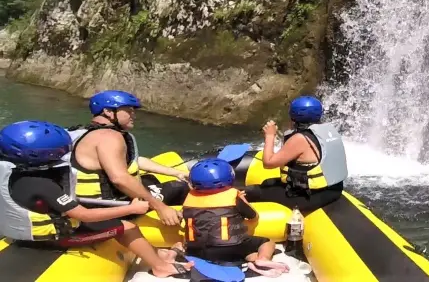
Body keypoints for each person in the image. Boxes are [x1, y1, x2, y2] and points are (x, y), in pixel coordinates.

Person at [0, 120, 192, 278]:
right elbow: (84, 215)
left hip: (21, 233)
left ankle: (156, 254)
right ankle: (161, 267)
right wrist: (131, 209)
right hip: (53, 239)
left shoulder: (14, 174)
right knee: (127, 227)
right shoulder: (42, 185)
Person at [68, 90, 189, 226]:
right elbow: (120, 179)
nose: (133, 116)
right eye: (128, 111)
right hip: (108, 207)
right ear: (108, 111)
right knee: (179, 188)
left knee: (150, 180)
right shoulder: (109, 137)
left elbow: (133, 161)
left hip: (81, 202)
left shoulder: (82, 132)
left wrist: (176, 172)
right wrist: (161, 208)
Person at [178, 158, 288, 278]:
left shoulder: (188, 199)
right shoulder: (233, 195)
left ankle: (252, 260)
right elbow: (253, 216)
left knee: (244, 252)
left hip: (198, 251)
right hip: (230, 247)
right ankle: (262, 259)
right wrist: (242, 199)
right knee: (266, 242)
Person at [245, 96, 347, 213]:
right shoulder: (327, 131)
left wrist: (269, 135)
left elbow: (268, 163)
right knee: (268, 182)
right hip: (333, 189)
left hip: (311, 196)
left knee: (252, 192)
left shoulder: (300, 138)